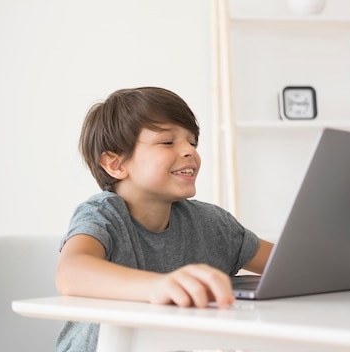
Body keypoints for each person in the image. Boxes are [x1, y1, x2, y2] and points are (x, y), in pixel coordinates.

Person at [55, 87, 274, 352]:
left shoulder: (213, 223)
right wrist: (159, 285)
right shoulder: (103, 214)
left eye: (192, 142)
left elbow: (288, 266)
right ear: (115, 164)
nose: (189, 151)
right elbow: (71, 273)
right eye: (167, 142)